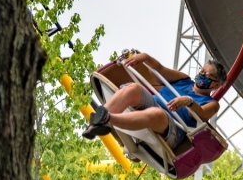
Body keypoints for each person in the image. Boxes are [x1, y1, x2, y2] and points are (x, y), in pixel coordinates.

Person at [82, 51, 227, 151]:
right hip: (154, 103)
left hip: (173, 127)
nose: (201, 75)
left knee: (156, 113)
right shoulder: (184, 80)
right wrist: (145, 57)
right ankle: (96, 122)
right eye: (201, 71)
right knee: (134, 88)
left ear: (215, 84)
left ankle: (108, 119)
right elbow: (159, 70)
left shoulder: (212, 103)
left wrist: (188, 101)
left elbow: (202, 114)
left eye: (206, 74)